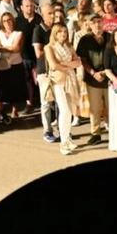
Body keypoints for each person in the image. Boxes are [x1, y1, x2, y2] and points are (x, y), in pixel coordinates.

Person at [44, 23, 83, 156]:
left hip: (70, 80)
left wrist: (65, 64)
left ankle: (67, 138)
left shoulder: (69, 46)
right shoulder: (49, 47)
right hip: (58, 81)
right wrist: (68, 66)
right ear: (54, 33)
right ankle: (63, 142)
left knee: (69, 111)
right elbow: (53, 65)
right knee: (64, 110)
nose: (63, 34)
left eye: (65, 31)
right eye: (60, 32)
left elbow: (78, 62)